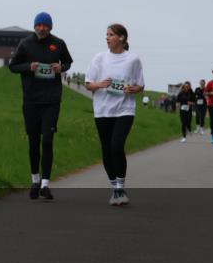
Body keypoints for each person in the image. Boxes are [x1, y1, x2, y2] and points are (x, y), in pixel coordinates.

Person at [8, 11, 73, 201]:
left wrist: (61, 67)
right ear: (34, 26)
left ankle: (45, 184)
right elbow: (13, 66)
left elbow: (68, 62)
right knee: (34, 141)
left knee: (48, 140)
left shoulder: (58, 43)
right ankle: (35, 180)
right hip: (31, 100)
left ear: (50, 27)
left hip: (51, 100)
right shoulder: (25, 44)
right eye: (39, 25)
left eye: (45, 25)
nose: (42, 28)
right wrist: (28, 67)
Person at [85, 23, 145, 206]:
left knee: (117, 147)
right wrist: (100, 84)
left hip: (124, 109)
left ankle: (120, 187)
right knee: (106, 150)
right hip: (103, 110)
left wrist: (133, 89)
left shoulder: (133, 59)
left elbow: (140, 85)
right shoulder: (99, 58)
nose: (107, 38)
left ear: (122, 37)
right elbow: (88, 84)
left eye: (111, 35)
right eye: (106, 35)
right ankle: (114, 188)